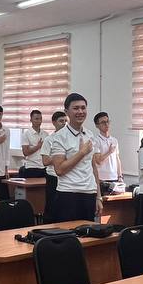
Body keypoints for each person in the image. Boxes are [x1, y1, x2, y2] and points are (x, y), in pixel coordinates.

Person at [46, 93, 102, 223]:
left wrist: (98, 197)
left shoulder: (89, 134)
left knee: (88, 234)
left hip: (89, 193)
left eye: (83, 108)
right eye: (76, 108)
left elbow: (93, 167)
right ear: (67, 112)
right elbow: (59, 170)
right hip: (68, 194)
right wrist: (81, 153)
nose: (80, 112)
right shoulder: (60, 137)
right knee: (69, 234)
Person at [92, 111, 123, 195]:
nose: (106, 124)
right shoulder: (95, 140)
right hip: (102, 178)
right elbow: (98, 160)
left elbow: (117, 159)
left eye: (107, 121)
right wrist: (109, 152)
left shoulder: (114, 140)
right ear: (97, 125)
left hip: (114, 177)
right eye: (103, 122)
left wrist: (120, 176)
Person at [43, 110, 67, 211]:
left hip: (66, 177)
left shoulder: (69, 138)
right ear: (54, 122)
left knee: (64, 207)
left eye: (65, 121)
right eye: (61, 121)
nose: (64, 123)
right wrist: (59, 157)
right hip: (53, 177)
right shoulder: (49, 139)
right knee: (52, 206)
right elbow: (45, 161)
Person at [19, 109, 48, 176]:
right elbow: (25, 152)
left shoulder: (45, 134)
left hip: (44, 167)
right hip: (31, 167)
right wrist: (38, 146)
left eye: (40, 119)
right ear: (31, 120)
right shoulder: (26, 134)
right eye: (36, 119)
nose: (39, 121)